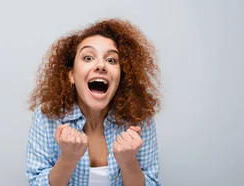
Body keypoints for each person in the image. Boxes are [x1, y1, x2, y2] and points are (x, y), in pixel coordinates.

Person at [26, 19, 161, 186]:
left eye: (111, 60)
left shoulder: (139, 119)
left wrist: (128, 162)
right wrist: (68, 159)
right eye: (88, 58)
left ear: (121, 76)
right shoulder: (47, 117)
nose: (101, 65)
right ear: (72, 75)